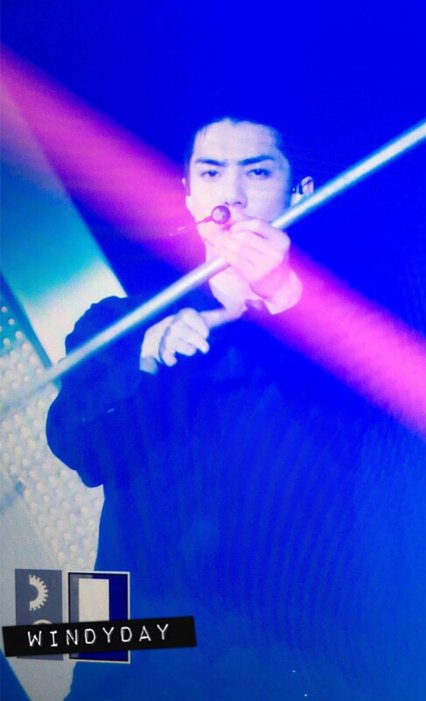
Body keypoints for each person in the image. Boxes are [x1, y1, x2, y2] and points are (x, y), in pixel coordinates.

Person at [46, 117, 358, 699]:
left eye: (257, 173)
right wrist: (143, 360)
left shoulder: (345, 333)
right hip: (133, 662)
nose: (231, 197)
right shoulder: (118, 322)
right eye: (211, 174)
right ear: (189, 196)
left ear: (300, 192)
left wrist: (283, 295)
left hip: (280, 666)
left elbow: (360, 429)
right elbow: (73, 445)